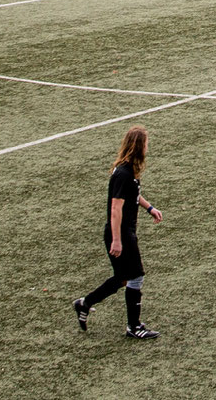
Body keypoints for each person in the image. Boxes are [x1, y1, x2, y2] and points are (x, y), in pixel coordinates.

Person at [72, 125, 164, 339]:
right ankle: (134, 326)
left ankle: (84, 304)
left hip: (123, 232)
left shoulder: (127, 170)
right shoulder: (123, 173)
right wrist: (116, 240)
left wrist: (149, 208)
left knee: (123, 278)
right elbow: (115, 208)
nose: (148, 148)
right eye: (146, 144)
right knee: (136, 276)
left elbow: (134, 195)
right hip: (121, 233)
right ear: (139, 146)